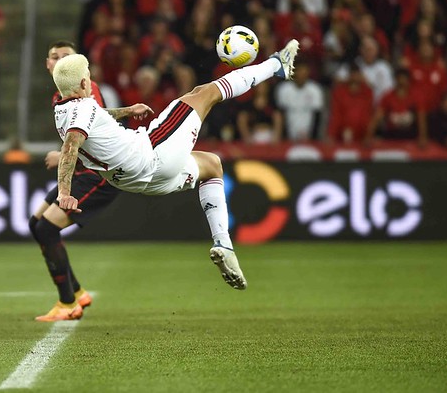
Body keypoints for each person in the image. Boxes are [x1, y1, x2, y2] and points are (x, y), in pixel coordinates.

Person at [52, 40, 300, 296]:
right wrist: (64, 192)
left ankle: (224, 244)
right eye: (88, 78)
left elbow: (94, 116)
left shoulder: (64, 108)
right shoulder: (81, 112)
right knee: (205, 93)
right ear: (83, 84)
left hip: (138, 181)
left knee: (212, 165)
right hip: (151, 154)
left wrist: (127, 111)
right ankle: (276, 65)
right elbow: (71, 145)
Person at [30, 41, 121, 322]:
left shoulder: (85, 89)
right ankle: (77, 292)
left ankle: (67, 302)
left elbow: (98, 128)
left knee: (46, 229)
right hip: (81, 170)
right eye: (54, 57)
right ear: (48, 65)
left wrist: (64, 153)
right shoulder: (60, 94)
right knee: (36, 224)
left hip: (96, 174)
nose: (59, 61)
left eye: (66, 57)